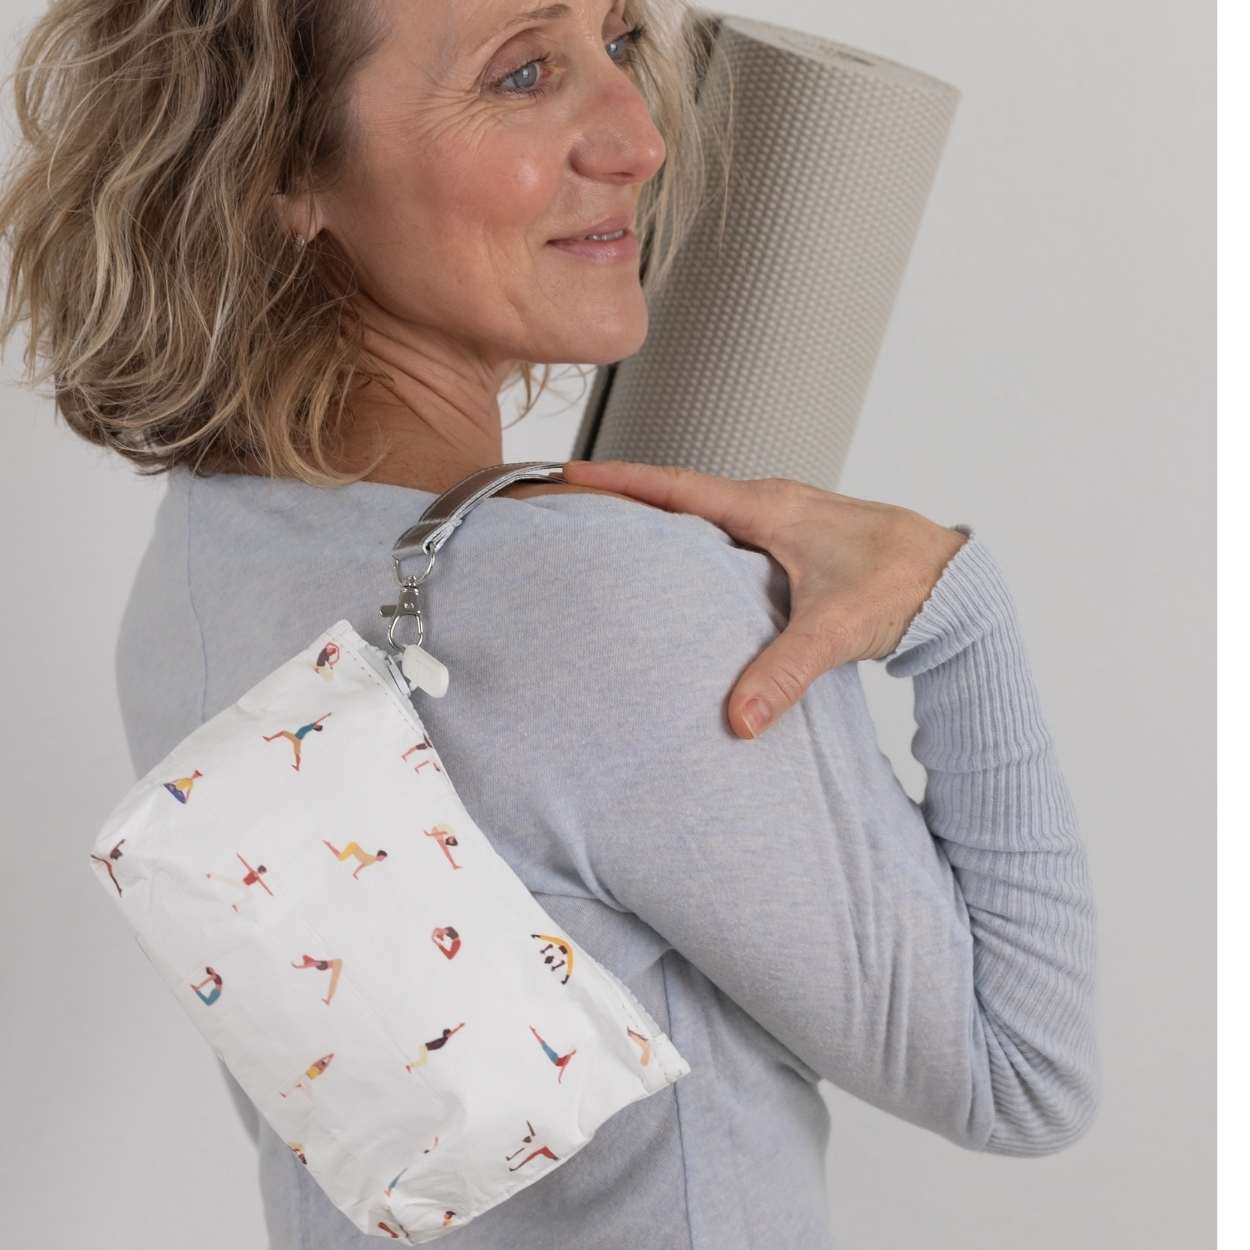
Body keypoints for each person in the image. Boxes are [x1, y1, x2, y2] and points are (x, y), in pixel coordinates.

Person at [0, 2, 1099, 1248]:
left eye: (620, 40)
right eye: (522, 72)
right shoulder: (604, 598)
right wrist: (946, 598)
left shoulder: (209, 554)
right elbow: (1021, 1074)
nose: (637, 137)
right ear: (280, 166)